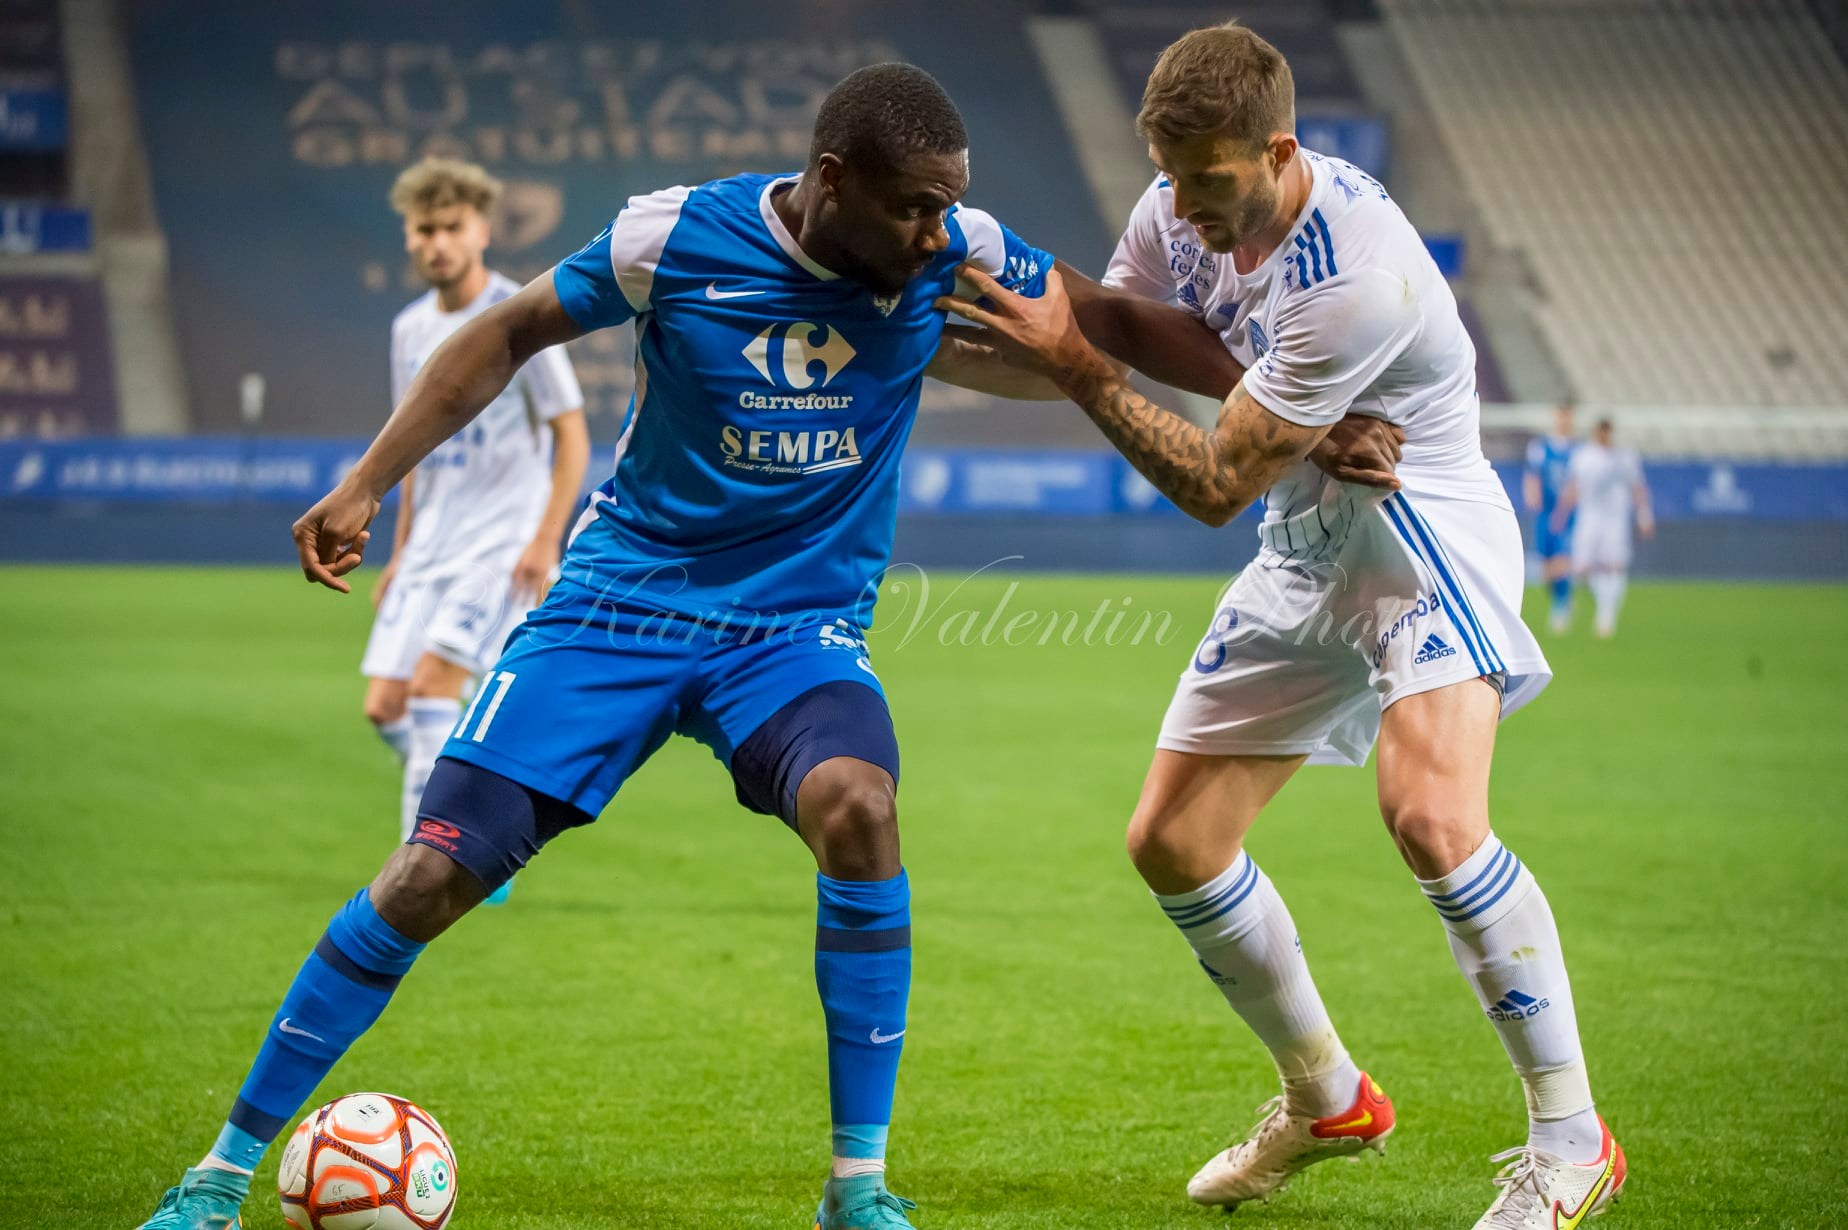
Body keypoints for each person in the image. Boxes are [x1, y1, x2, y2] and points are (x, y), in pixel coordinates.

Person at [132, 62, 1317, 1230]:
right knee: (428, 873)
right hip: (617, 609)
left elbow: (1109, 318)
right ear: (832, 179)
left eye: (947, 202)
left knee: (859, 806)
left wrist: (1300, 402)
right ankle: (219, 1176)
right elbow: (506, 334)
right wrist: (367, 482)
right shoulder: (676, 237)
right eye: (911, 205)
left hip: (793, 632)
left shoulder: (955, 246)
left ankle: (858, 1193)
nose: (936, 229)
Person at [941, 22, 1625, 1228]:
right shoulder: (1175, 201)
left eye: (1210, 180)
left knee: (1432, 818)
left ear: (1278, 149)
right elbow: (1118, 327)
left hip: (1418, 536)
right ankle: (1326, 1098)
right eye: (1168, 174)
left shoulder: (1360, 275)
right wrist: (951, 346)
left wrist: (1087, 366)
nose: (1184, 205)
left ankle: (1572, 1141)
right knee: (1174, 843)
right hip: (1305, 544)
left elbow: (1207, 480)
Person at [361, 158, 589, 908]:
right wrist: (398, 553)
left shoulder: (518, 315)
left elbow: (572, 437)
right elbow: (414, 443)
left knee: (431, 691)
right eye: (425, 231)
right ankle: (484, 813)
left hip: (500, 545)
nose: (438, 244)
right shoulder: (407, 331)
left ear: (481, 231)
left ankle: (431, 869)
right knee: (386, 707)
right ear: (409, 238)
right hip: (431, 546)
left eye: (451, 228)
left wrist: (544, 537)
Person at [1555, 418, 1652, 638]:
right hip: (1589, 517)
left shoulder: (1625, 457)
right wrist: (1561, 514)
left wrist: (1644, 516)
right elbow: (1573, 487)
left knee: (1614, 566)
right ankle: (1600, 605)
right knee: (1581, 568)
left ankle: (1607, 615)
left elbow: (1638, 487)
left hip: (1615, 520)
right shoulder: (1583, 456)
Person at [1523, 399, 1578, 633]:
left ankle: (1562, 605)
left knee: (1562, 561)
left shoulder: (1578, 451)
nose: (1564, 421)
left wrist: (1566, 508)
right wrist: (1532, 496)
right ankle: (1559, 598)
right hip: (1545, 514)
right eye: (1561, 416)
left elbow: (1578, 483)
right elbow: (1532, 476)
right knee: (1546, 568)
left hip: (1568, 516)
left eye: (1568, 417)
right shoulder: (1540, 447)